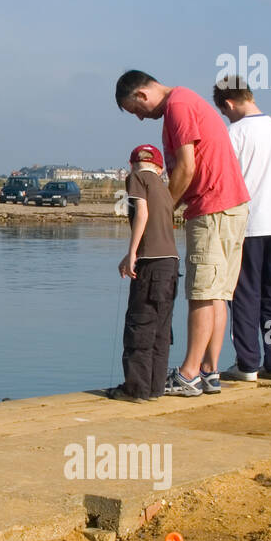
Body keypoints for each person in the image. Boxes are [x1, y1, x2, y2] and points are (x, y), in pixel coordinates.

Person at [115, 70, 249, 397]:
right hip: (231, 204)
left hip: (212, 206)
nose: (140, 118)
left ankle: (188, 374)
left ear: (141, 95)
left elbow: (187, 166)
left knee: (202, 291)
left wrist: (165, 208)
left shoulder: (178, 105)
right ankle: (209, 371)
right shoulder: (186, 101)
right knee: (217, 292)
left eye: (135, 110)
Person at [213, 82, 271, 382]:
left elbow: (224, 175)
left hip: (248, 224)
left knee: (244, 294)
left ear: (229, 104)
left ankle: (247, 362)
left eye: (224, 112)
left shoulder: (236, 132)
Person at [107, 144, 178, 401]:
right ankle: (154, 388)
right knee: (161, 328)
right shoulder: (164, 188)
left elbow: (142, 214)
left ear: (131, 164)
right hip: (171, 262)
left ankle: (135, 388)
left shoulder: (136, 178)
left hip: (150, 263)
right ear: (159, 167)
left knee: (140, 324)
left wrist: (133, 253)